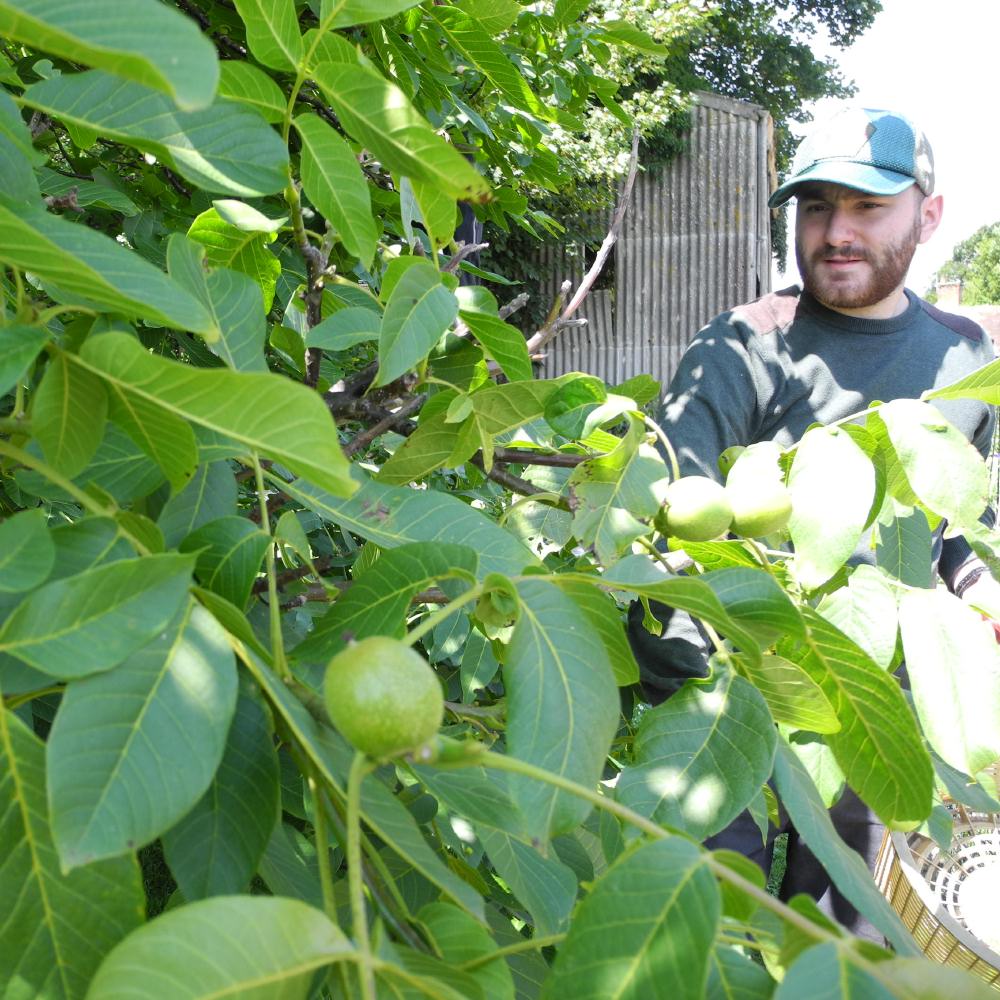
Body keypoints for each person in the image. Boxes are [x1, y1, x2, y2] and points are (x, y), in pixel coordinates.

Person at [627, 106, 1000, 938]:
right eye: (816, 207)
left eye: (867, 207)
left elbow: (955, 532)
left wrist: (979, 591)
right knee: (712, 933)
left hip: (871, 715)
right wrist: (709, 702)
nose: (835, 232)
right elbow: (673, 533)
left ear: (928, 215)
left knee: (831, 949)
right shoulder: (743, 346)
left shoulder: (969, 362)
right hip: (728, 701)